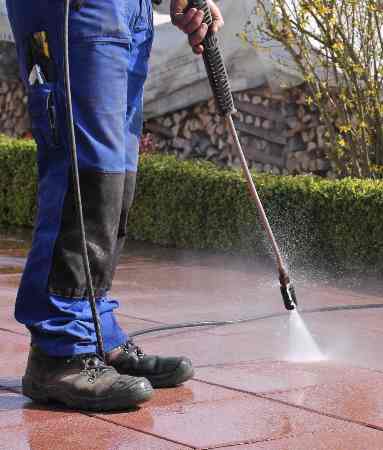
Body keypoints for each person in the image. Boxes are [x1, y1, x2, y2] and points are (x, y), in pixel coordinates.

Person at [7, 0, 224, 411]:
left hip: (129, 8)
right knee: (84, 167)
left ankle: (95, 331)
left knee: (116, 170)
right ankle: (60, 351)